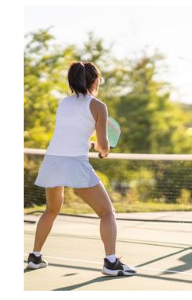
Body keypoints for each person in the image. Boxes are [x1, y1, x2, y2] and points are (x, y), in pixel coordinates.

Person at [26, 62, 137, 277]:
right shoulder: (98, 106)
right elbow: (104, 145)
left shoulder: (63, 103)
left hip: (52, 160)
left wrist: (94, 146)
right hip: (75, 162)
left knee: (51, 210)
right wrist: (104, 151)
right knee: (107, 212)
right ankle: (111, 262)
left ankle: (35, 256)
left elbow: (76, 138)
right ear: (95, 81)